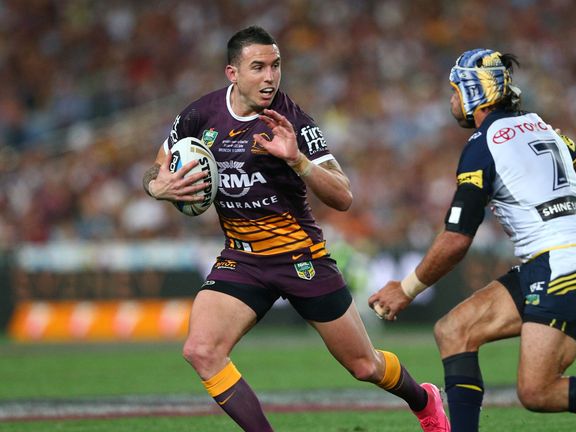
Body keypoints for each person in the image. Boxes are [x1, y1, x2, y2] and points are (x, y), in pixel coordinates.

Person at [368, 48, 576, 432]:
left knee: (537, 391)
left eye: (457, 89)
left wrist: (406, 289)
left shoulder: (482, 144)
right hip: (557, 258)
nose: (452, 99)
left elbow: (457, 239)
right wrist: (562, 148)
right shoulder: (542, 126)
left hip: (562, 263)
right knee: (453, 330)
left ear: (476, 93)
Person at [142, 25, 449, 432]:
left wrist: (298, 161)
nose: (270, 76)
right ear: (232, 73)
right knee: (201, 350)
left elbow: (343, 196)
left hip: (300, 258)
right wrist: (156, 186)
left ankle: (424, 398)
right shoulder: (200, 115)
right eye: (258, 67)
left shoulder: (292, 121)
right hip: (243, 260)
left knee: (364, 365)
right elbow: (158, 168)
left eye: (276, 66)